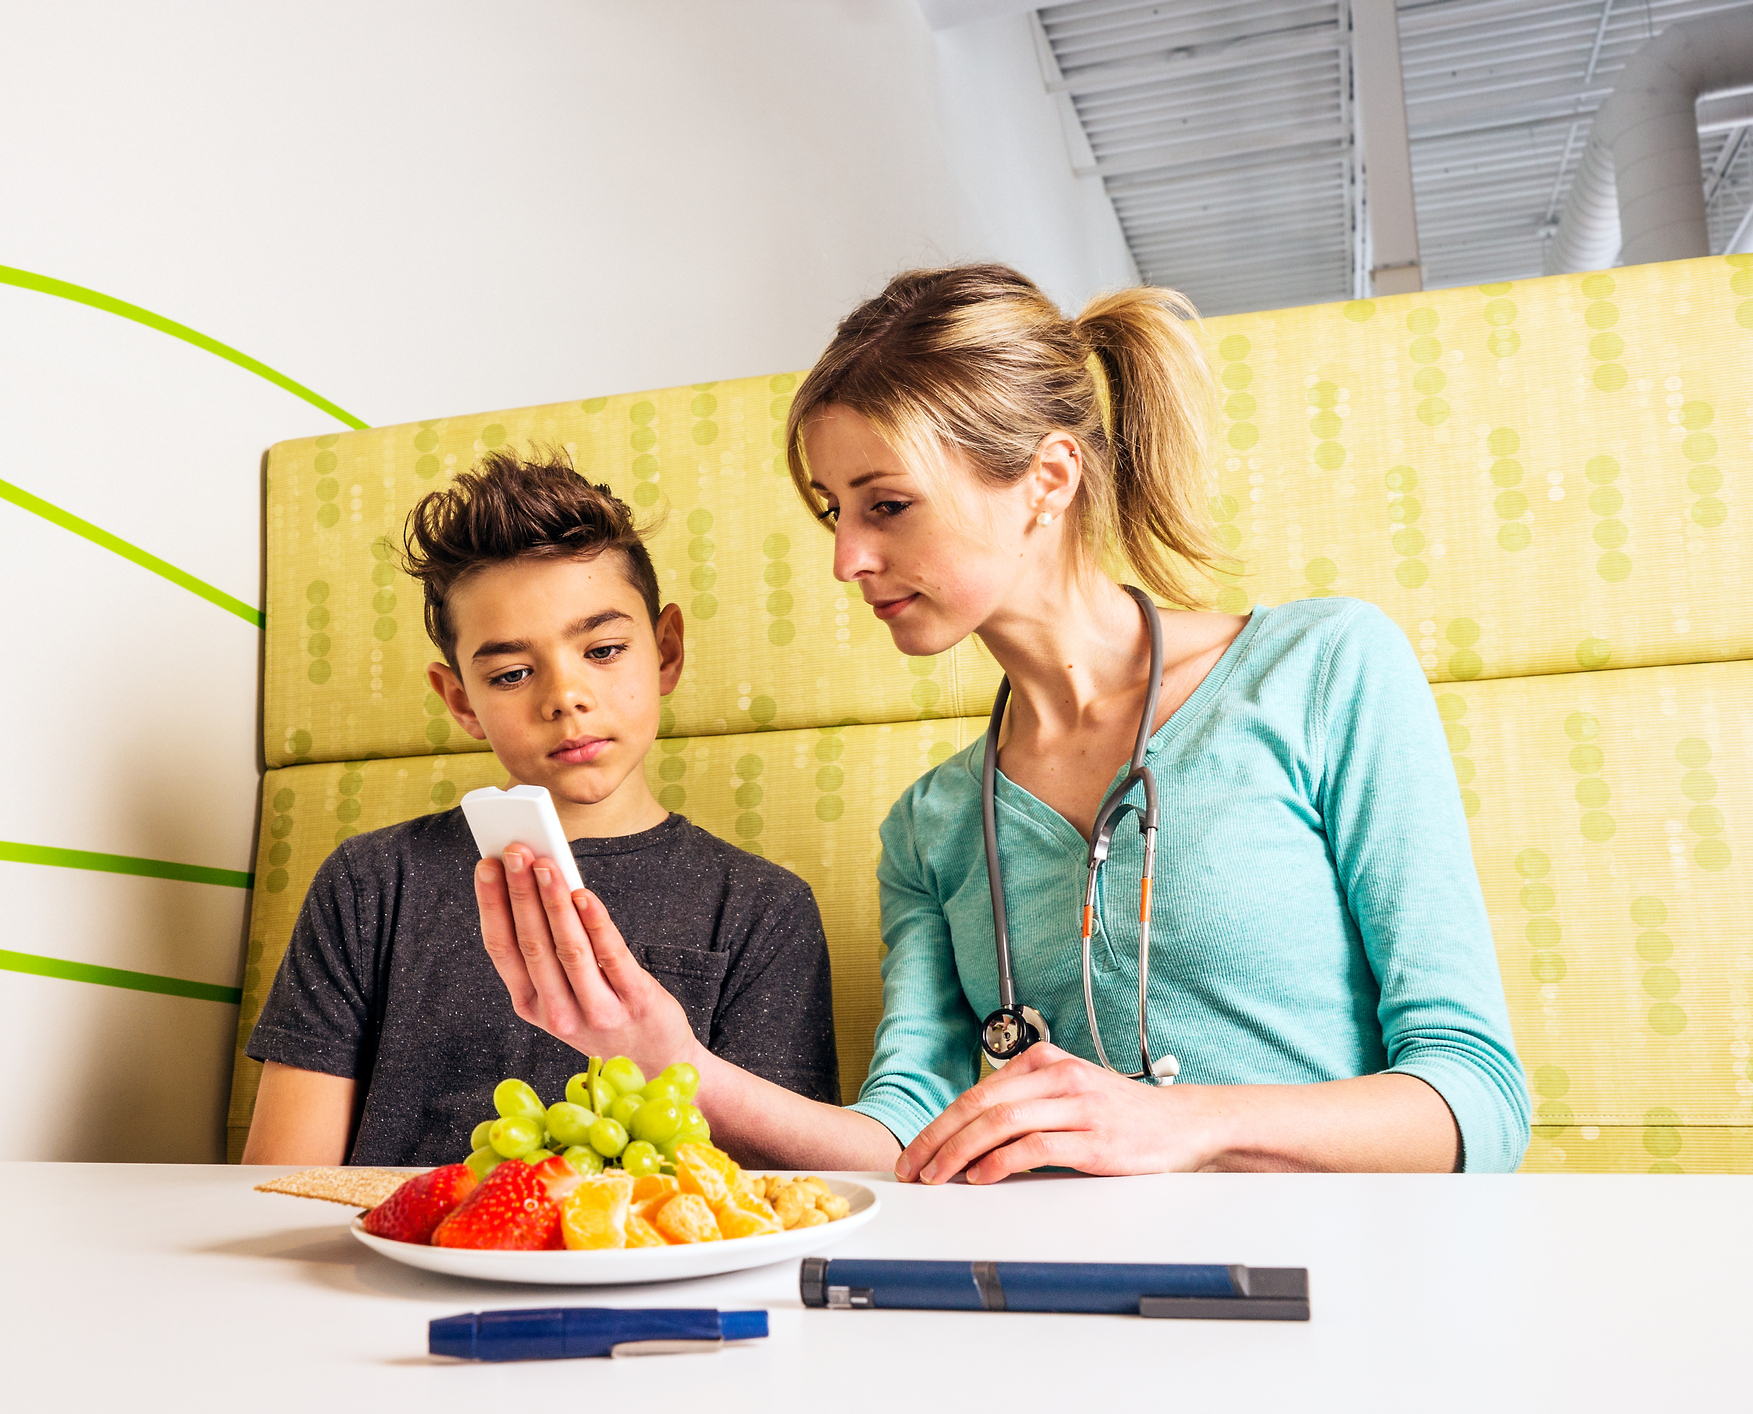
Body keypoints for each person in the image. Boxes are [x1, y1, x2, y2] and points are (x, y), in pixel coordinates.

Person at [472, 264, 1530, 1180]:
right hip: (1078, 1296)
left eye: (885, 505)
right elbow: (907, 1137)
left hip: (1344, 1283)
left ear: (1048, 477)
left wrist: (1177, 1125)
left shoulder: (1324, 668)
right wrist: (680, 1070)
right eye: (833, 510)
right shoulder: (932, 825)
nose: (846, 557)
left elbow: (1477, 1097)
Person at [239, 448, 840, 1166]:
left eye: (605, 649)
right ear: (460, 700)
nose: (564, 697)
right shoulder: (371, 883)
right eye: (512, 673)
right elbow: (281, 1181)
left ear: (667, 650)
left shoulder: (761, 907)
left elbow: (767, 1194)